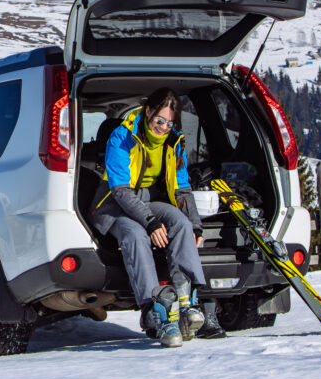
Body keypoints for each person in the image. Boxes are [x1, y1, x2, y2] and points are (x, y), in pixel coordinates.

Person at [89, 87, 225, 347]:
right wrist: (150, 222)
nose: (163, 127)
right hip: (114, 204)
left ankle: (187, 302)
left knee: (182, 224)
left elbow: (182, 188)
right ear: (148, 111)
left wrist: (196, 226)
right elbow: (119, 189)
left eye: (169, 123)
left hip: (151, 200)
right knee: (135, 234)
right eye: (159, 120)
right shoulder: (122, 136)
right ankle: (154, 309)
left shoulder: (174, 142)